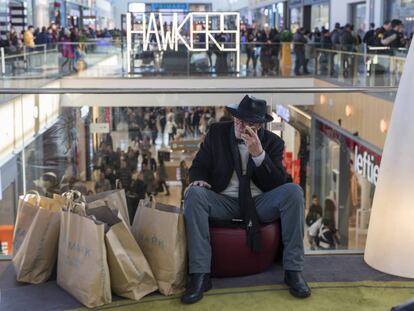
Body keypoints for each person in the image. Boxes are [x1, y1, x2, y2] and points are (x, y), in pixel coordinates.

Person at [181, 95, 310, 304]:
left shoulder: (272, 143)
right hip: (223, 199)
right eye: (238, 120)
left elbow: (278, 182)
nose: (241, 126)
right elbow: (198, 166)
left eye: (248, 123)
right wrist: (199, 180)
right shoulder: (217, 133)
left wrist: (259, 155)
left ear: (259, 126)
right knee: (194, 195)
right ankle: (200, 275)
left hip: (259, 202)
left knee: (294, 192)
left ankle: (293, 270)